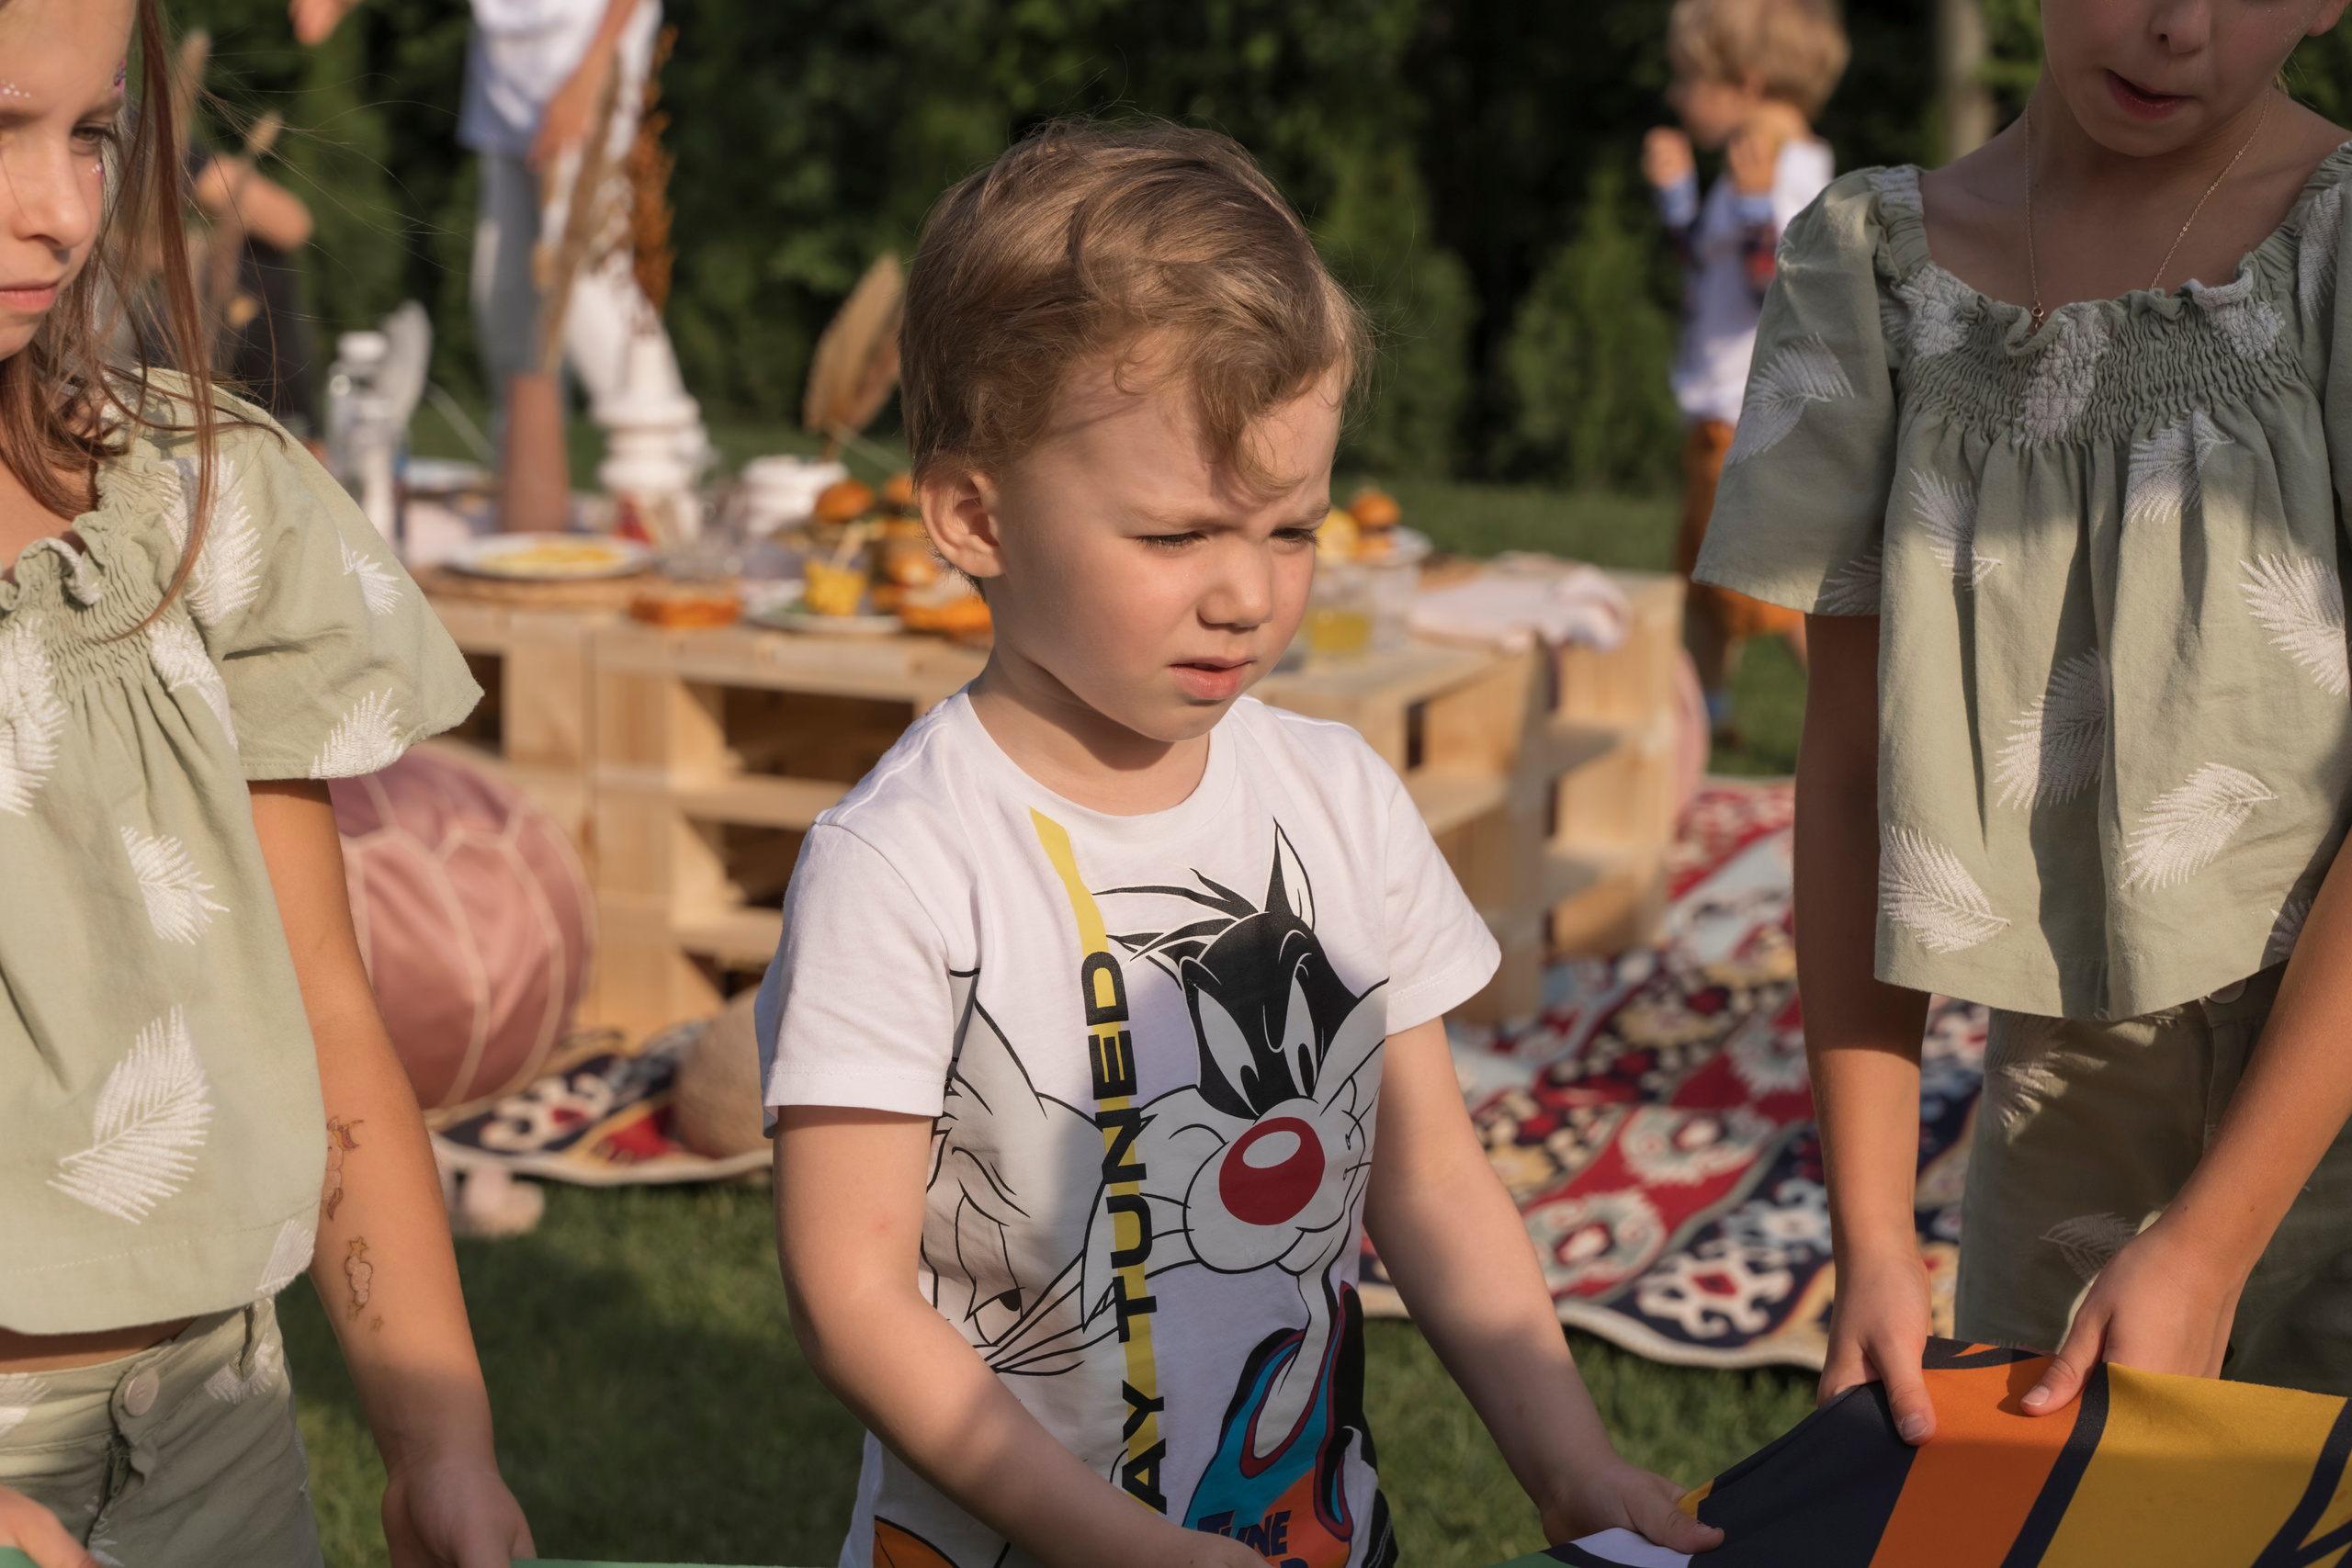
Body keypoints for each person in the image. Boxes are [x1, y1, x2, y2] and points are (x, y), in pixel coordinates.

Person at [756, 121, 1722, 1568]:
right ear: (974, 513)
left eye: (1290, 528)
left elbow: (1434, 1178)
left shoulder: (1338, 796)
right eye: (1174, 536)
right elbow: (853, 1295)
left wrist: (1571, 1460)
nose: (1247, 594)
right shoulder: (904, 864)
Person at [1694, 0, 2352, 1442]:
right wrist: (1873, 1234)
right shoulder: (1868, 269)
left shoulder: (2337, 251)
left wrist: (2217, 1239)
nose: (2177, 26)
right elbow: (1858, 770)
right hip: (2064, 1131)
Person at [0, 3, 533, 1565]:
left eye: (92, 133)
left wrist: (440, 1442)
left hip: (222, 1436)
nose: (61, 205)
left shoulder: (203, 507)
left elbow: (320, 999)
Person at [290, 0, 693, 431]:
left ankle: (669, 461)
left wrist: (591, 74)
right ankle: (526, 475)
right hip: (509, 89)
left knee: (587, 286)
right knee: (504, 302)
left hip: (584, 69)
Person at [1642, 0, 1846, 744]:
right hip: (1719, 412)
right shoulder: (1746, 170)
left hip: (1746, 413)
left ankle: (1860, 716)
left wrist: (1762, 210)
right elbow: (1704, 260)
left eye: (1689, 77)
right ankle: (1711, 717)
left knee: (1768, 586)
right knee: (1703, 578)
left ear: (1746, 83)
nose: (1676, 94)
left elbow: (1784, 295)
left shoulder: (1792, 177)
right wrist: (1677, 196)